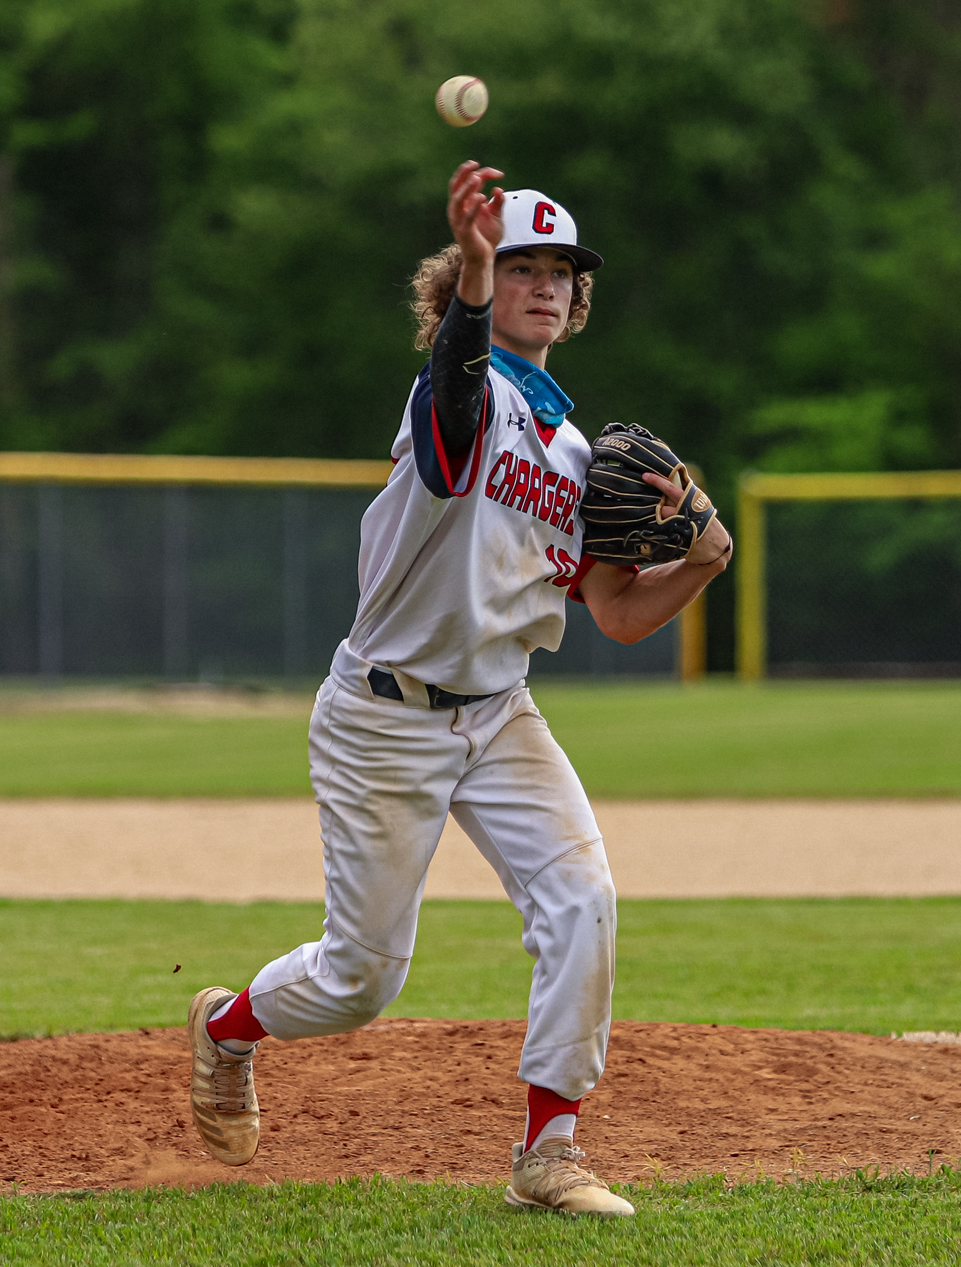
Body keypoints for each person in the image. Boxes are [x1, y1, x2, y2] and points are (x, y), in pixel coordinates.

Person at [184, 161, 731, 1215]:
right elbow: (460, 383)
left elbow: (616, 612)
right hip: (383, 718)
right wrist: (472, 280)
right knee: (361, 980)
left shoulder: (578, 454)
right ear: (472, 281)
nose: (543, 282)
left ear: (577, 302)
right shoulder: (457, 403)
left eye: (558, 270)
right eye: (519, 263)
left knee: (585, 898)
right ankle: (224, 1025)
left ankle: (550, 1149)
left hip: (499, 713)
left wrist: (704, 554)